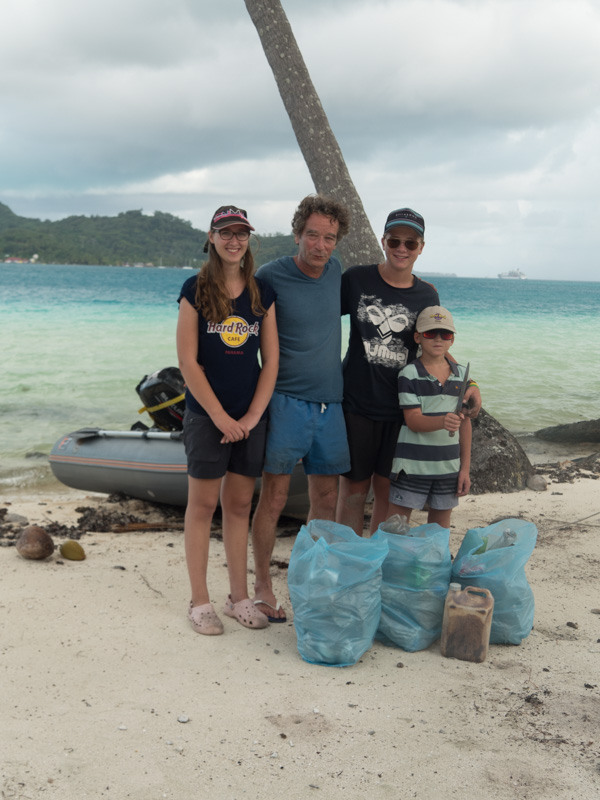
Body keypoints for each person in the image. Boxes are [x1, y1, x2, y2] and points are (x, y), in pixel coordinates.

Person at [336, 208, 480, 535]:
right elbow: (320, 318)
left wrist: (468, 381)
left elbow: (434, 341)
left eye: (410, 243)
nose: (402, 248)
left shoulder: (426, 294)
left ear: (421, 248)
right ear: (384, 241)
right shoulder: (356, 279)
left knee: (388, 491)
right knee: (354, 492)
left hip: (402, 409)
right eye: (395, 241)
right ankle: (349, 561)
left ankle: (380, 560)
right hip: (356, 403)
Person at [176, 205, 279, 635]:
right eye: (226, 233)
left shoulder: (260, 292)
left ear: (248, 239)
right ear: (212, 237)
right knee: (202, 507)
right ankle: (199, 602)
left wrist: (253, 415)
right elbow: (187, 360)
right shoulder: (194, 289)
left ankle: (238, 598)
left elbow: (270, 360)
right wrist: (219, 416)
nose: (234, 240)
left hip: (249, 419)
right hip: (207, 417)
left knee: (238, 506)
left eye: (241, 233)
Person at [250, 194, 351, 622]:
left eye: (329, 238)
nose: (320, 246)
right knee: (273, 497)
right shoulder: (269, 277)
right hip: (285, 402)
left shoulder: (336, 272)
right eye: (313, 235)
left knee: (326, 497)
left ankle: (312, 578)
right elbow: (241, 338)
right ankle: (261, 584)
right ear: (297, 234)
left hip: (331, 404)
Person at [388, 305, 471, 528]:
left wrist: (464, 469)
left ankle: (434, 563)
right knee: (397, 526)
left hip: (448, 468)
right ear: (418, 337)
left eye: (445, 334)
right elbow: (413, 420)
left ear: (452, 339)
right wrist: (442, 421)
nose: (438, 339)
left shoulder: (463, 376)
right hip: (412, 466)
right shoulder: (409, 374)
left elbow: (465, 425)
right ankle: (393, 562)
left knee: (439, 530)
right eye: (429, 333)